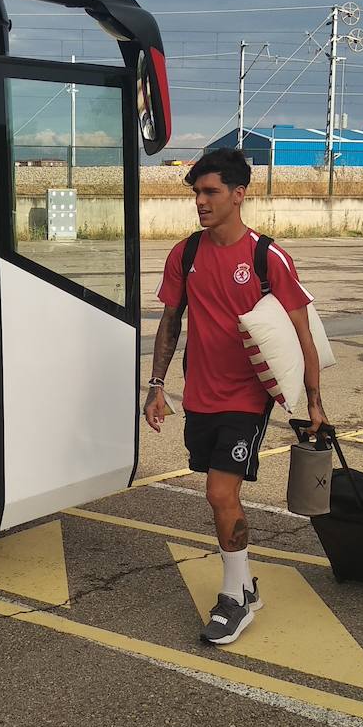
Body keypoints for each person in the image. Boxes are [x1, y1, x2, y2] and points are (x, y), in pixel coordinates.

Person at [144, 148, 327, 645]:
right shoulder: (186, 254)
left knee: (220, 493)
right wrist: (157, 386)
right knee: (216, 492)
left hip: (247, 398)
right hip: (200, 395)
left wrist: (314, 403)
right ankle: (245, 582)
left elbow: (302, 334)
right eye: (196, 193)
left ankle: (236, 597)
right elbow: (170, 322)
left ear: (238, 194)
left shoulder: (267, 257)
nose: (200, 202)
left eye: (211, 192)